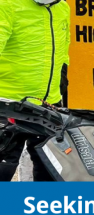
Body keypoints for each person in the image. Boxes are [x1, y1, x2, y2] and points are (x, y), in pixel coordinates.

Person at [0, 0, 70, 181]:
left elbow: (64, 47)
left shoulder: (62, 8)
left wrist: (62, 76)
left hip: (47, 105)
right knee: (4, 167)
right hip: (7, 103)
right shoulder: (7, 5)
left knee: (50, 168)